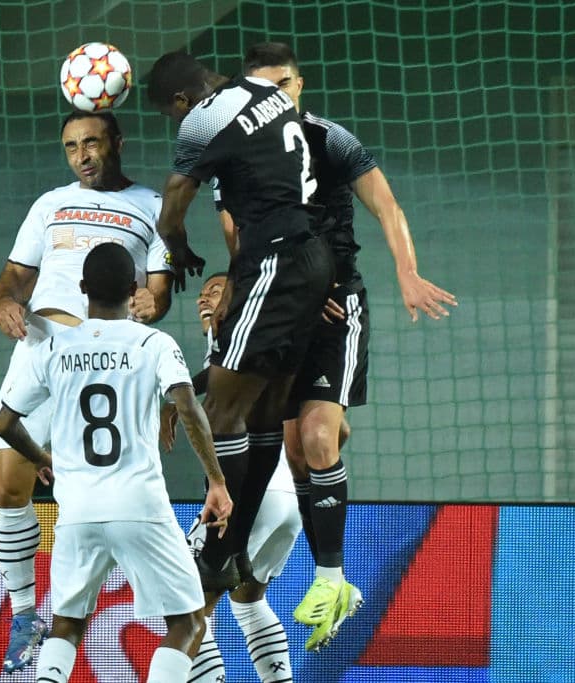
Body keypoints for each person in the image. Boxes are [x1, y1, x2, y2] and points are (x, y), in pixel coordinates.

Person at [237, 42, 459, 651]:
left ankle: (333, 581)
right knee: (298, 446)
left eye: (284, 85)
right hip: (284, 310)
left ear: (299, 86)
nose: (275, 97)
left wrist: (407, 273)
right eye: (262, 88)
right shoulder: (241, 152)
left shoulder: (330, 139)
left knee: (313, 440)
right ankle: (331, 441)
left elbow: (386, 205)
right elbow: (235, 229)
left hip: (339, 307)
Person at [0, 110, 174, 672]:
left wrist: (151, 305)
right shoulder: (49, 204)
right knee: (8, 488)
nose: (82, 155)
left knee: (103, 497)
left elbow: (158, 290)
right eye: (71, 146)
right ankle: (24, 615)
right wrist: (6, 302)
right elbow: (14, 275)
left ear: (117, 141)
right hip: (40, 347)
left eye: (92, 142)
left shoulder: (153, 207)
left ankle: (168, 621)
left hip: (104, 360)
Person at [0, 243, 232, 682]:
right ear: (134, 288)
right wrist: (216, 480)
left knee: (67, 626)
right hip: (139, 506)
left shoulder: (53, 348)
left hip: (77, 511)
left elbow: (6, 422)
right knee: (188, 622)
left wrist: (43, 458)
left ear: (83, 289)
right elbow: (188, 406)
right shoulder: (153, 342)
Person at [145, 51, 336, 599]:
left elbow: (174, 203)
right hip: (307, 253)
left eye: (170, 113)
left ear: (182, 100)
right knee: (267, 409)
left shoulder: (204, 115)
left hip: (274, 258)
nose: (175, 123)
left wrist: (176, 249)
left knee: (224, 406)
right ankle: (230, 549)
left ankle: (219, 537)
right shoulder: (269, 95)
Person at [161, 272, 302, 683]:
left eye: (216, 290)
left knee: (188, 606)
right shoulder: (228, 347)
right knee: (247, 600)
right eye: (202, 292)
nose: (205, 297)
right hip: (285, 498)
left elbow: (224, 378)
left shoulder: (240, 332)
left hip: (250, 497)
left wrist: (177, 397)